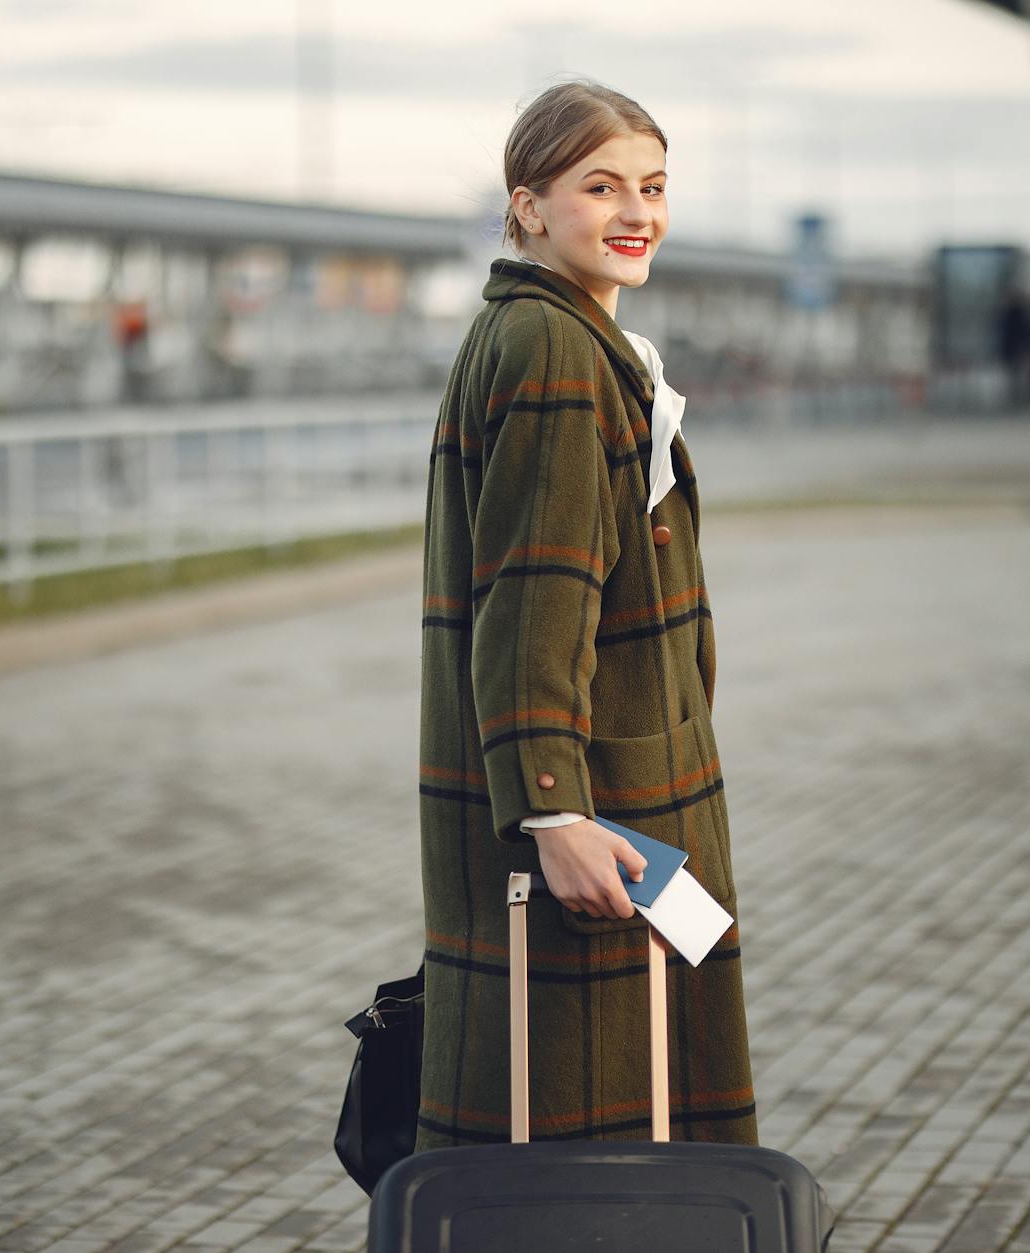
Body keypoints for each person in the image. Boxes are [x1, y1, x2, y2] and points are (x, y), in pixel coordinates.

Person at [416, 79, 757, 1149]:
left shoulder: (554, 335)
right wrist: (553, 811)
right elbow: (532, 596)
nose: (635, 213)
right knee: (585, 1137)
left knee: (593, 1116)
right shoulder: (557, 352)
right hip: (600, 805)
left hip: (619, 790)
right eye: (598, 186)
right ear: (527, 206)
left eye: (651, 187)